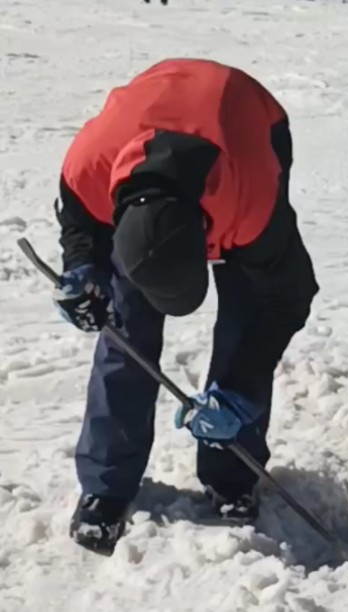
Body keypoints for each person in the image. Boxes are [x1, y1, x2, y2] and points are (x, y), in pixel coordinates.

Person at [53, 58, 319, 553]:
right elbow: (76, 216)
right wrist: (83, 268)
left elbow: (286, 298)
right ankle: (106, 486)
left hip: (250, 120)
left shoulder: (252, 203)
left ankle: (233, 470)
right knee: (124, 329)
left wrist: (237, 391)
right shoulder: (90, 166)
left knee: (246, 315)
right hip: (140, 134)